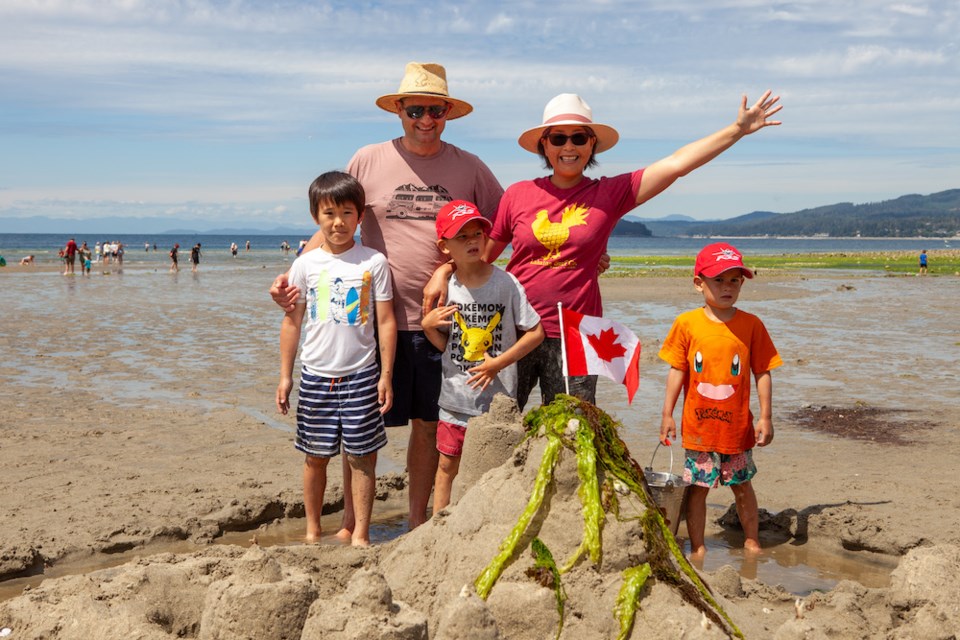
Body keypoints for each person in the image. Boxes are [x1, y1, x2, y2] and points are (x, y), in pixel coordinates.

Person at [271, 61, 503, 530]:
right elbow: (335, 227)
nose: (425, 119)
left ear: (447, 113)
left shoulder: (470, 167)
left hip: (441, 320)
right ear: (399, 109)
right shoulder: (367, 159)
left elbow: (504, 227)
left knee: (427, 424)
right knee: (356, 430)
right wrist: (291, 278)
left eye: (435, 110)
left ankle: (417, 522)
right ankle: (352, 522)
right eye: (415, 108)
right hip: (365, 325)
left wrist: (453, 268)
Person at [475, 91, 782, 410]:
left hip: (577, 335)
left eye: (579, 137)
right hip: (515, 329)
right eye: (558, 138)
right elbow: (482, 260)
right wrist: (446, 276)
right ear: (544, 145)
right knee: (498, 423)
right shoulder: (518, 194)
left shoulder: (609, 193)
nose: (569, 146)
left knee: (571, 434)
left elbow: (676, 165)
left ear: (591, 145)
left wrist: (737, 130)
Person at [276, 170, 396, 546]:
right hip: (315, 376)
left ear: (360, 216)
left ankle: (360, 533)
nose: (338, 222)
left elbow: (387, 321)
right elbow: (292, 323)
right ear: (316, 217)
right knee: (315, 457)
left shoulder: (372, 262)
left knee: (362, 457)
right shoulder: (305, 265)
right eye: (329, 213)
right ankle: (313, 530)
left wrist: (385, 375)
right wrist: (285, 376)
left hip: (361, 375)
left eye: (347, 213)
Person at [658, 242, 783, 559]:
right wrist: (667, 414)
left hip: (737, 429)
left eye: (734, 280)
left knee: (743, 486)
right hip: (699, 428)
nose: (727, 287)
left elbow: (763, 372)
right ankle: (698, 546)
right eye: (719, 280)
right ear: (698, 283)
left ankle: (752, 540)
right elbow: (677, 371)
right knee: (697, 490)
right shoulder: (687, 323)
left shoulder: (751, 325)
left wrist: (765, 417)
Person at [421, 200, 544, 513]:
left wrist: (498, 364)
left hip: (497, 403)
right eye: (462, 237)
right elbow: (445, 346)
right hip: (454, 399)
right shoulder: (446, 288)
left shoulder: (505, 284)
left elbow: (535, 333)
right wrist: (427, 326)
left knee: (494, 470)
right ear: (444, 246)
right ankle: (439, 524)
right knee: (447, 466)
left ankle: (488, 523)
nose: (473, 241)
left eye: (477, 233)